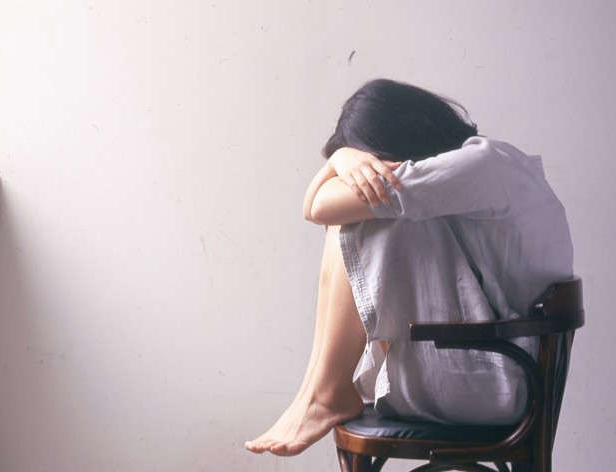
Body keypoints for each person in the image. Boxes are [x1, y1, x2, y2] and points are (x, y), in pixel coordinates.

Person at [244, 79, 573, 457]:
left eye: (372, 164)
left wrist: (340, 161)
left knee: (360, 218)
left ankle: (326, 391)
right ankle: (318, 390)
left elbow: (319, 207)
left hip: (498, 385)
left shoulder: (480, 164)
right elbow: (317, 209)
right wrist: (341, 159)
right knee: (360, 214)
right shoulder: (496, 163)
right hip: (505, 373)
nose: (369, 172)